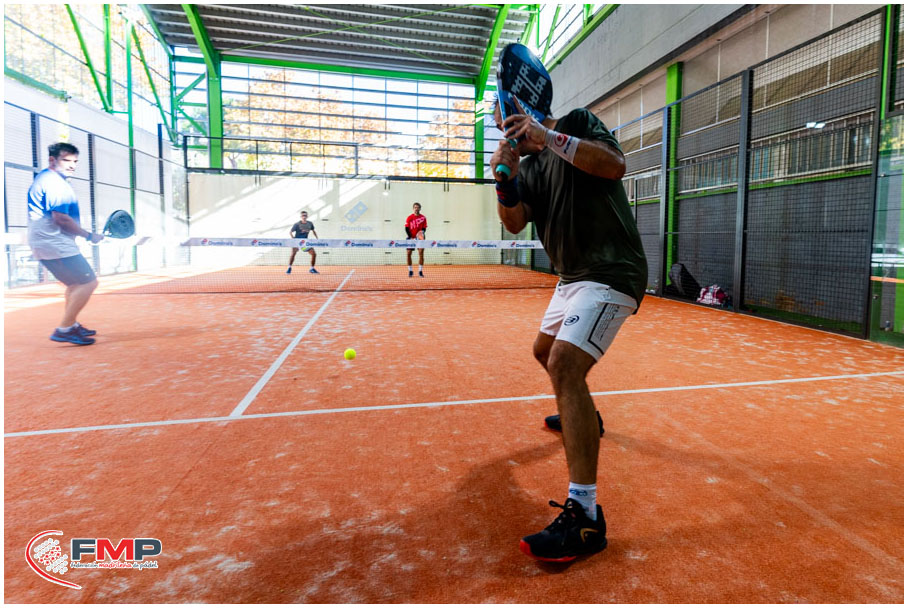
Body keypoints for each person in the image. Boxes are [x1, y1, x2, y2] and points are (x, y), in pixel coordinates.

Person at [491, 67, 648, 562]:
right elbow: (514, 224)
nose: (500, 122)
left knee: (564, 364)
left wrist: (550, 137)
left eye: (503, 113)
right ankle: (584, 417)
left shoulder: (577, 123)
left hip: (612, 271)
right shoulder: (530, 168)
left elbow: (614, 165)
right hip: (571, 278)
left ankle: (585, 518)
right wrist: (505, 182)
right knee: (544, 352)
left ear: (525, 108)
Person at [27, 142, 104, 346]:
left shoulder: (45, 177)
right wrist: (88, 235)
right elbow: (60, 218)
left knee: (75, 284)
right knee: (89, 282)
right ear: (52, 160)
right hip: (54, 242)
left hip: (47, 241)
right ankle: (64, 329)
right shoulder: (55, 183)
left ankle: (71, 324)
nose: (72, 165)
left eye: (75, 161)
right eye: (66, 160)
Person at [404, 202, 427, 277]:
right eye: (415, 207)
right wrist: (411, 237)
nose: (416, 209)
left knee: (421, 253)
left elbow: (424, 228)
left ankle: (420, 271)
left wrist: (420, 235)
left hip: (420, 238)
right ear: (413, 208)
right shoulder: (409, 217)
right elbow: (406, 228)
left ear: (420, 208)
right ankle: (410, 271)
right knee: (408, 253)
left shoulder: (423, 218)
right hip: (411, 237)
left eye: (418, 207)